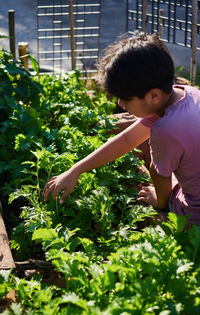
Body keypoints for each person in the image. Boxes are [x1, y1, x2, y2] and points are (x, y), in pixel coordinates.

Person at [43, 32, 200, 225]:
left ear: (154, 96)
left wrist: (160, 202)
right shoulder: (189, 93)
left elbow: (158, 174)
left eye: (126, 99)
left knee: (143, 189)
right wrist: (76, 170)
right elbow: (128, 139)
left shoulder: (165, 129)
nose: (120, 103)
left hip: (194, 214)